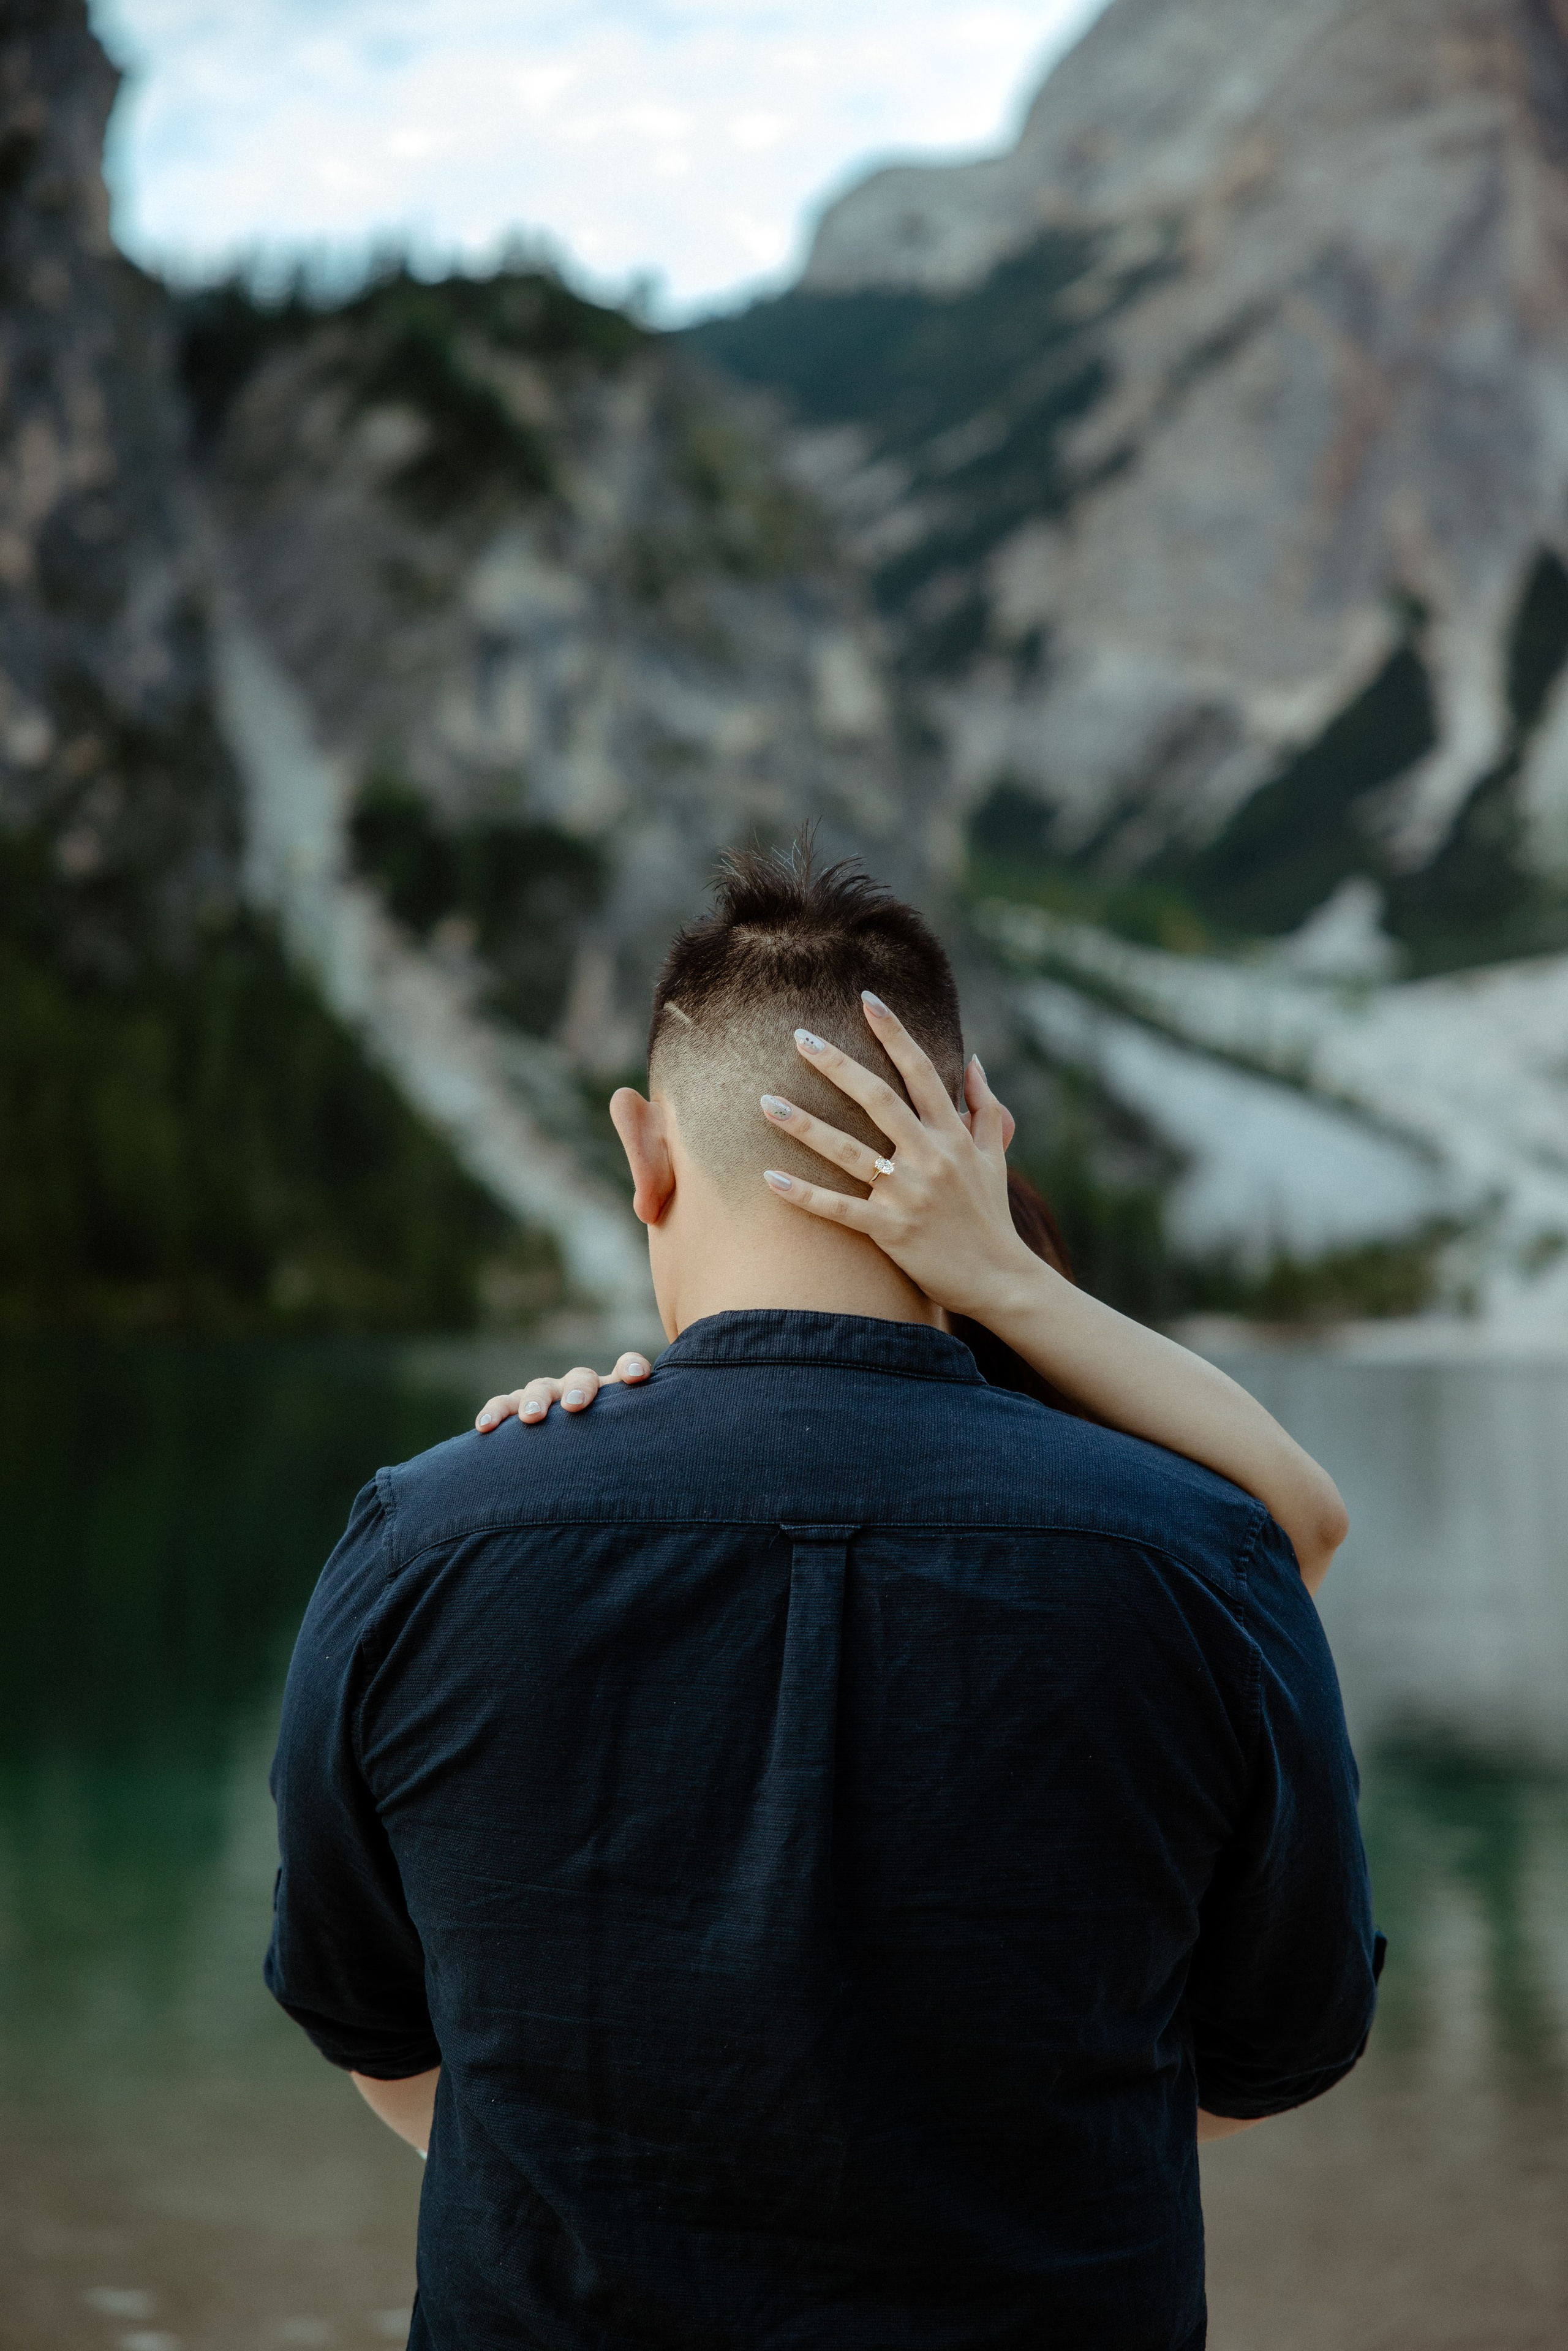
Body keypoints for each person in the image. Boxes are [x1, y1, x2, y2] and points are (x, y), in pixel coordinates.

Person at [266, 848, 1381, 2351]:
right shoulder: (1203, 1558)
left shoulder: (423, 1540)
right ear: (969, 1152)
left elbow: (370, 2020)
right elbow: (1279, 2039)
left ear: (643, 1152)